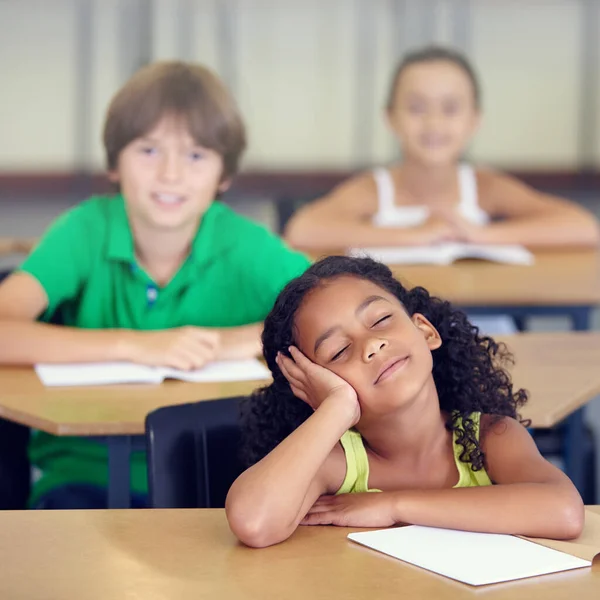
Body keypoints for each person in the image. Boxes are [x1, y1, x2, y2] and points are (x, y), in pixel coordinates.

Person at [0, 61, 309, 509]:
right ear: (114, 163)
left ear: (223, 175)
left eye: (196, 155)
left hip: (220, 477)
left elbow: (340, 311)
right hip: (84, 476)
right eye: (148, 150)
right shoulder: (85, 230)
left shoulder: (245, 245)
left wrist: (233, 341)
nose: (170, 174)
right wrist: (137, 345)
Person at [226, 256, 584, 548]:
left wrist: (392, 505)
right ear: (312, 385)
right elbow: (254, 522)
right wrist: (335, 408)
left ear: (425, 331)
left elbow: (564, 512)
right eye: (338, 351)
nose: (371, 345)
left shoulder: (489, 438)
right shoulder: (337, 463)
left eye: (381, 320)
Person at [284, 46, 600, 251]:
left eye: (450, 109)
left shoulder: (485, 186)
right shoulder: (373, 189)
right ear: (390, 118)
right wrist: (416, 237)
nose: (434, 124)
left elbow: (584, 228)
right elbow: (303, 231)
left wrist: (481, 235)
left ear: (474, 120)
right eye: (416, 107)